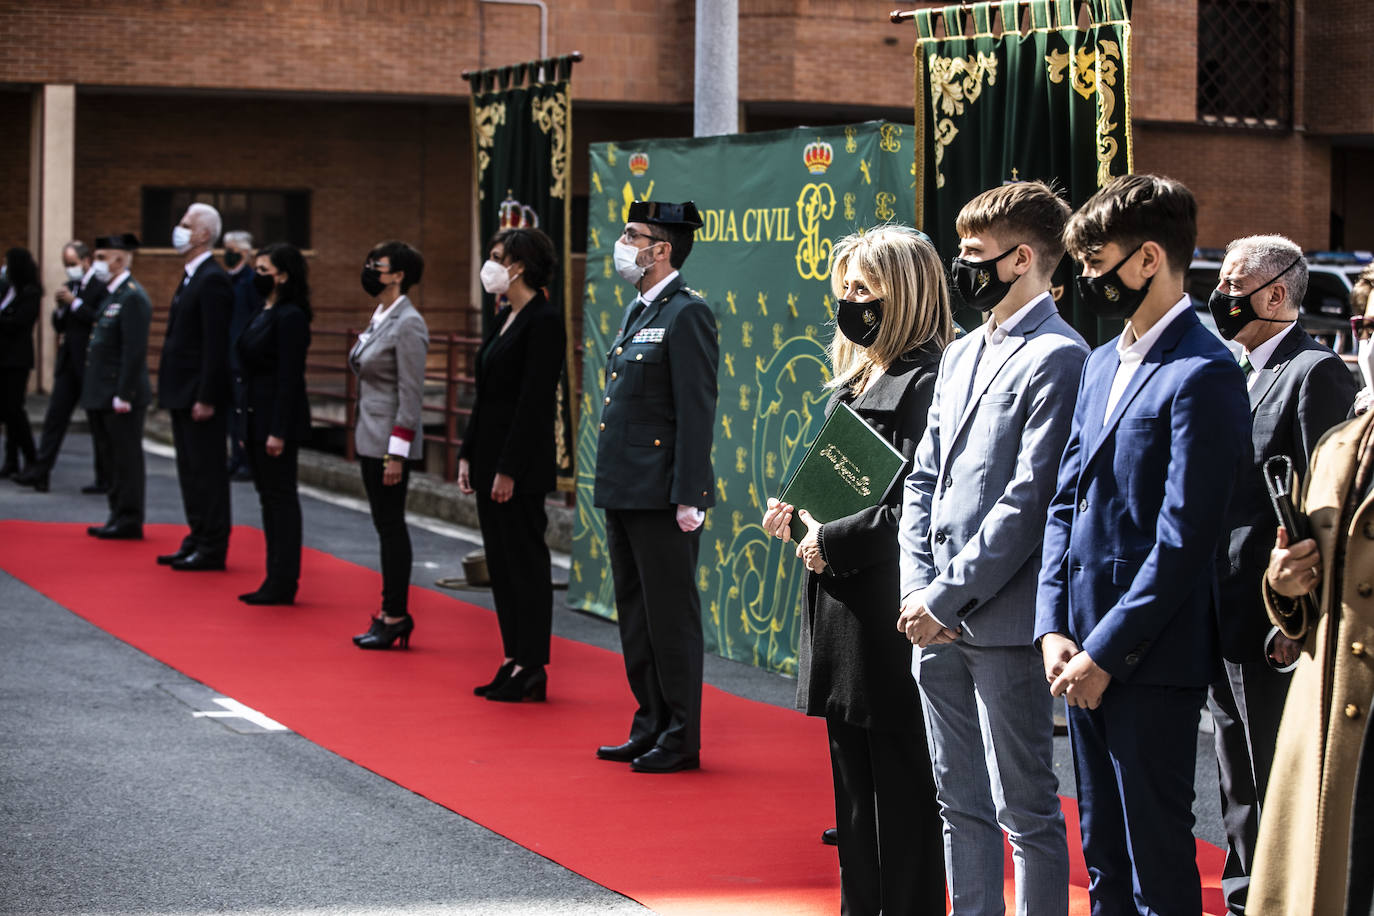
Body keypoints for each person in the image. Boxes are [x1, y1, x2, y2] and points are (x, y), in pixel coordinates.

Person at [1034, 174, 1252, 915]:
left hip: (1149, 660)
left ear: (1149, 258)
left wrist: (1107, 652)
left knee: (1155, 859)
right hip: (1080, 653)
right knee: (1101, 858)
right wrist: (1054, 627)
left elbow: (1184, 539)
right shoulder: (1100, 362)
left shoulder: (1206, 371)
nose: (1086, 280)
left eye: (1096, 265)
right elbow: (1064, 502)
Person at [897, 182, 1084, 915]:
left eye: (974, 255)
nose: (961, 266)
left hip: (1003, 623)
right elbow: (924, 477)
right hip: (931, 619)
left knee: (1026, 810)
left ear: (1023, 259)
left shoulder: (1060, 356)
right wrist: (918, 591)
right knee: (958, 802)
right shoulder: (963, 349)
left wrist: (945, 597)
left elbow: (1029, 503)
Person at [763, 225, 954, 916]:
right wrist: (796, 506)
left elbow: (918, 506)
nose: (849, 300)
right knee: (853, 790)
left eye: (863, 288)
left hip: (884, 607)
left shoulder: (930, 381)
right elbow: (840, 476)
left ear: (901, 294)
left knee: (900, 791)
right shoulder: (863, 372)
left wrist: (832, 542)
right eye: (844, 287)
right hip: (842, 605)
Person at [1202, 235, 1356, 915]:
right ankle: (1242, 896)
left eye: (1235, 284)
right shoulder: (1234, 368)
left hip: (1275, 619)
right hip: (1218, 607)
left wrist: (1302, 618)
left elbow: (1320, 509)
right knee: (1234, 771)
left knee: (1273, 774)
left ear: (1274, 294)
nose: (1221, 297)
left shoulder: (1313, 370)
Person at [592, 200, 717, 774]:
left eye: (632, 235)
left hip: (663, 494)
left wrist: (689, 494)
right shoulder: (640, 310)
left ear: (660, 249)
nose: (622, 244)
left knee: (670, 616)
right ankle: (649, 722)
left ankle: (681, 735)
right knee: (636, 613)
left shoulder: (686, 313)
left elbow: (696, 411)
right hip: (625, 488)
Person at [1254, 399, 1374, 916]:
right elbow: (1311, 602)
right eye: (1367, 330)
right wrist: (1283, 580)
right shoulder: (1337, 446)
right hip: (1326, 720)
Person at [459, 227, 566, 702]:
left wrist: (507, 468)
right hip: (488, 459)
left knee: (525, 562)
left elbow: (532, 402)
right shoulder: (505, 315)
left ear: (519, 265)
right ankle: (511, 656)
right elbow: (486, 397)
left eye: (498, 257)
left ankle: (532, 664)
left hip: (518, 467)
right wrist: (466, 453)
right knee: (499, 564)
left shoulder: (543, 319)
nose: (492, 265)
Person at [349, 240, 429, 649]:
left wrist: (397, 451)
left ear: (398, 274)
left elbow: (411, 393)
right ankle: (387, 611)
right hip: (369, 435)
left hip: (388, 444)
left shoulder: (409, 323)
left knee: (392, 528)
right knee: (383, 526)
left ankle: (395, 614)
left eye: (376, 265)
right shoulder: (382, 315)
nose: (369, 270)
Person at [157, 202, 234, 571]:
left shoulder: (213, 279)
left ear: (203, 234)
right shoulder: (192, 276)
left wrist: (206, 395)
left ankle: (212, 544)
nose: (179, 229)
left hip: (198, 395)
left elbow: (215, 345)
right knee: (189, 470)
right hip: (181, 390)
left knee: (207, 471)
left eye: (186, 224)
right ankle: (197, 534)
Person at [234, 242, 312, 605]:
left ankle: (283, 580)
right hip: (254, 417)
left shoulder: (291, 315)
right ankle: (274, 575)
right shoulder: (264, 311)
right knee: (268, 500)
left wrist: (278, 430)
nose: (257, 275)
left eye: (263, 270)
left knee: (280, 499)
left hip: (275, 422)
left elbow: (288, 378)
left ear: (282, 275)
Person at [16, 241, 109, 493]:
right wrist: (60, 310)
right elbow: (61, 326)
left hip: (88, 364)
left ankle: (104, 478)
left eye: (73, 264)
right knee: (55, 418)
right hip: (68, 362)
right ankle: (41, 471)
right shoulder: (70, 287)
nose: (70, 269)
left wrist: (75, 303)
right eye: (66, 265)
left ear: (86, 261)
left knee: (97, 423)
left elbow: (98, 318)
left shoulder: (101, 289)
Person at [81, 234, 151, 540]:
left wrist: (124, 393)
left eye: (101, 257)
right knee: (109, 457)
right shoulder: (112, 295)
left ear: (119, 260)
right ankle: (116, 513)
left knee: (125, 458)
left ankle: (129, 517)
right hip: (102, 392)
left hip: (119, 394)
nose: (97, 264)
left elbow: (133, 352)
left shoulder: (132, 296)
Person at [0, 247, 41, 479]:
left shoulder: (30, 292)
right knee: (6, 411)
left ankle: (31, 457)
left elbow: (19, 322)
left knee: (14, 409)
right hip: (2, 358)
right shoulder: (7, 289)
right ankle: (11, 460)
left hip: (16, 359)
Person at [224, 229, 260, 482]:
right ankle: (234, 457)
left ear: (245, 253)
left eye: (232, 250)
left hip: (242, 357)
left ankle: (246, 461)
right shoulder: (227, 280)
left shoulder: (251, 282)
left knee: (242, 412)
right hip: (227, 356)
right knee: (230, 414)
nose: (227, 254)